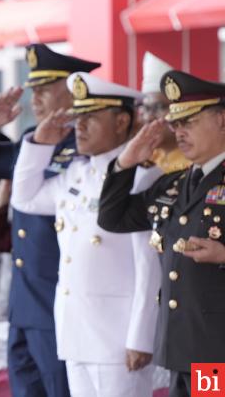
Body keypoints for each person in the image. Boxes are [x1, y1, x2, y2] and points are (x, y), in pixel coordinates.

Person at [11, 72, 161, 397]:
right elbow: (24, 198)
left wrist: (140, 336)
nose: (79, 125)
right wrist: (39, 144)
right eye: (78, 116)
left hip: (118, 340)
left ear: (122, 122)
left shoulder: (142, 179)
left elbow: (149, 267)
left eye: (90, 117)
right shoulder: (76, 175)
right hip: (75, 334)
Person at [0, 44, 100, 397]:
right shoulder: (35, 144)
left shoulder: (88, 148)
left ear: (76, 89)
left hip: (61, 307)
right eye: (34, 91)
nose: (36, 99)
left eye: (45, 89)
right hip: (24, 307)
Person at [98, 70, 225, 397]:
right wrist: (125, 161)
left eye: (190, 123)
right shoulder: (173, 184)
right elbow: (113, 218)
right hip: (180, 346)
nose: (179, 132)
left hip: (216, 353)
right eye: (176, 124)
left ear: (222, 120)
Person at [138, 52, 189, 174]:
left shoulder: (194, 162)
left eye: (159, 107)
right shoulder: (143, 159)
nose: (149, 117)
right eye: (146, 108)